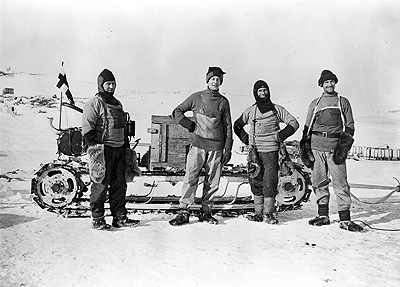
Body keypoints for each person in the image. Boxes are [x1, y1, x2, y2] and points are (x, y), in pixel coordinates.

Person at [169, 66, 233, 226]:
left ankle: (206, 212)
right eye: (213, 79)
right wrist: (189, 125)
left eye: (218, 80)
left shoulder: (223, 102)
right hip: (197, 146)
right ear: (207, 80)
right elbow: (177, 111)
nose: (215, 82)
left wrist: (228, 148)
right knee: (191, 178)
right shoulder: (197, 97)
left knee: (213, 182)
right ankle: (184, 212)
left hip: (216, 148)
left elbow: (228, 127)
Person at [301, 70, 363, 232]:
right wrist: (305, 148)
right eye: (326, 82)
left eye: (332, 81)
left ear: (335, 83)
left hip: (335, 149)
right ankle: (323, 216)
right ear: (321, 85)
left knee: (340, 184)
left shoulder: (343, 102)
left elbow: (350, 126)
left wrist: (343, 149)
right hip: (316, 147)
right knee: (318, 182)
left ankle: (345, 219)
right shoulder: (315, 103)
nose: (329, 84)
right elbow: (307, 127)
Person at [82, 69, 140, 230]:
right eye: (108, 84)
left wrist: (126, 148)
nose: (111, 87)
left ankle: (120, 217)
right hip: (103, 150)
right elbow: (87, 127)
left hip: (119, 149)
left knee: (119, 185)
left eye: (113, 84)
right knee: (100, 184)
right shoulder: (95, 102)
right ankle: (98, 219)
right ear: (101, 85)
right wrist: (94, 149)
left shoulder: (117, 103)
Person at [234, 80, 299, 224]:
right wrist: (247, 140)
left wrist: (280, 136)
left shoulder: (277, 110)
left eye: (265, 90)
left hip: (271, 152)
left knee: (269, 182)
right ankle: (258, 213)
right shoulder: (251, 111)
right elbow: (237, 125)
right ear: (255, 93)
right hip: (254, 153)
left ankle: (268, 214)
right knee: (255, 181)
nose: (263, 93)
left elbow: (294, 123)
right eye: (259, 91)